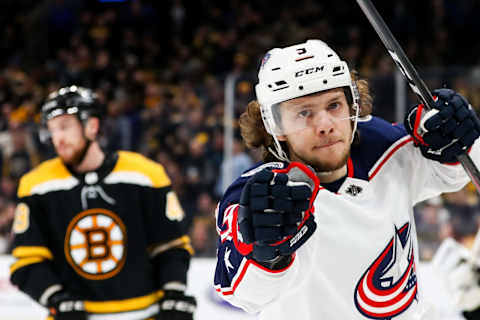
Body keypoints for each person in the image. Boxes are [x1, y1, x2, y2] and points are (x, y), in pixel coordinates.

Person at [213, 39, 480, 319]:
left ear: (352, 104)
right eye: (304, 113)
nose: (325, 125)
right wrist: (266, 255)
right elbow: (244, 295)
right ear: (275, 126)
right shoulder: (258, 195)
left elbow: (457, 172)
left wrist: (454, 131)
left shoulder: (381, 145)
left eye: (334, 105)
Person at [9, 86, 196, 320]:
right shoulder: (36, 185)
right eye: (52, 129)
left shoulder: (146, 175)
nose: (58, 138)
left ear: (92, 126)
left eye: (65, 126)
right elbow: (27, 262)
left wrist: (174, 293)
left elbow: (171, 247)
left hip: (146, 314)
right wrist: (57, 298)